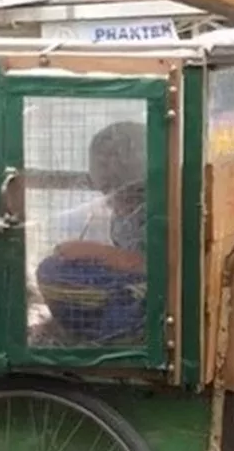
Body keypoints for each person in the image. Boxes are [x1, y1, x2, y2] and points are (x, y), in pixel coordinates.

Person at [35, 121, 149, 344]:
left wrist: (90, 251)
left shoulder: (151, 212)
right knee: (54, 270)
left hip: (150, 295)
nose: (109, 197)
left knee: (54, 273)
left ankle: (113, 340)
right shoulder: (124, 209)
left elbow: (148, 265)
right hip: (131, 282)